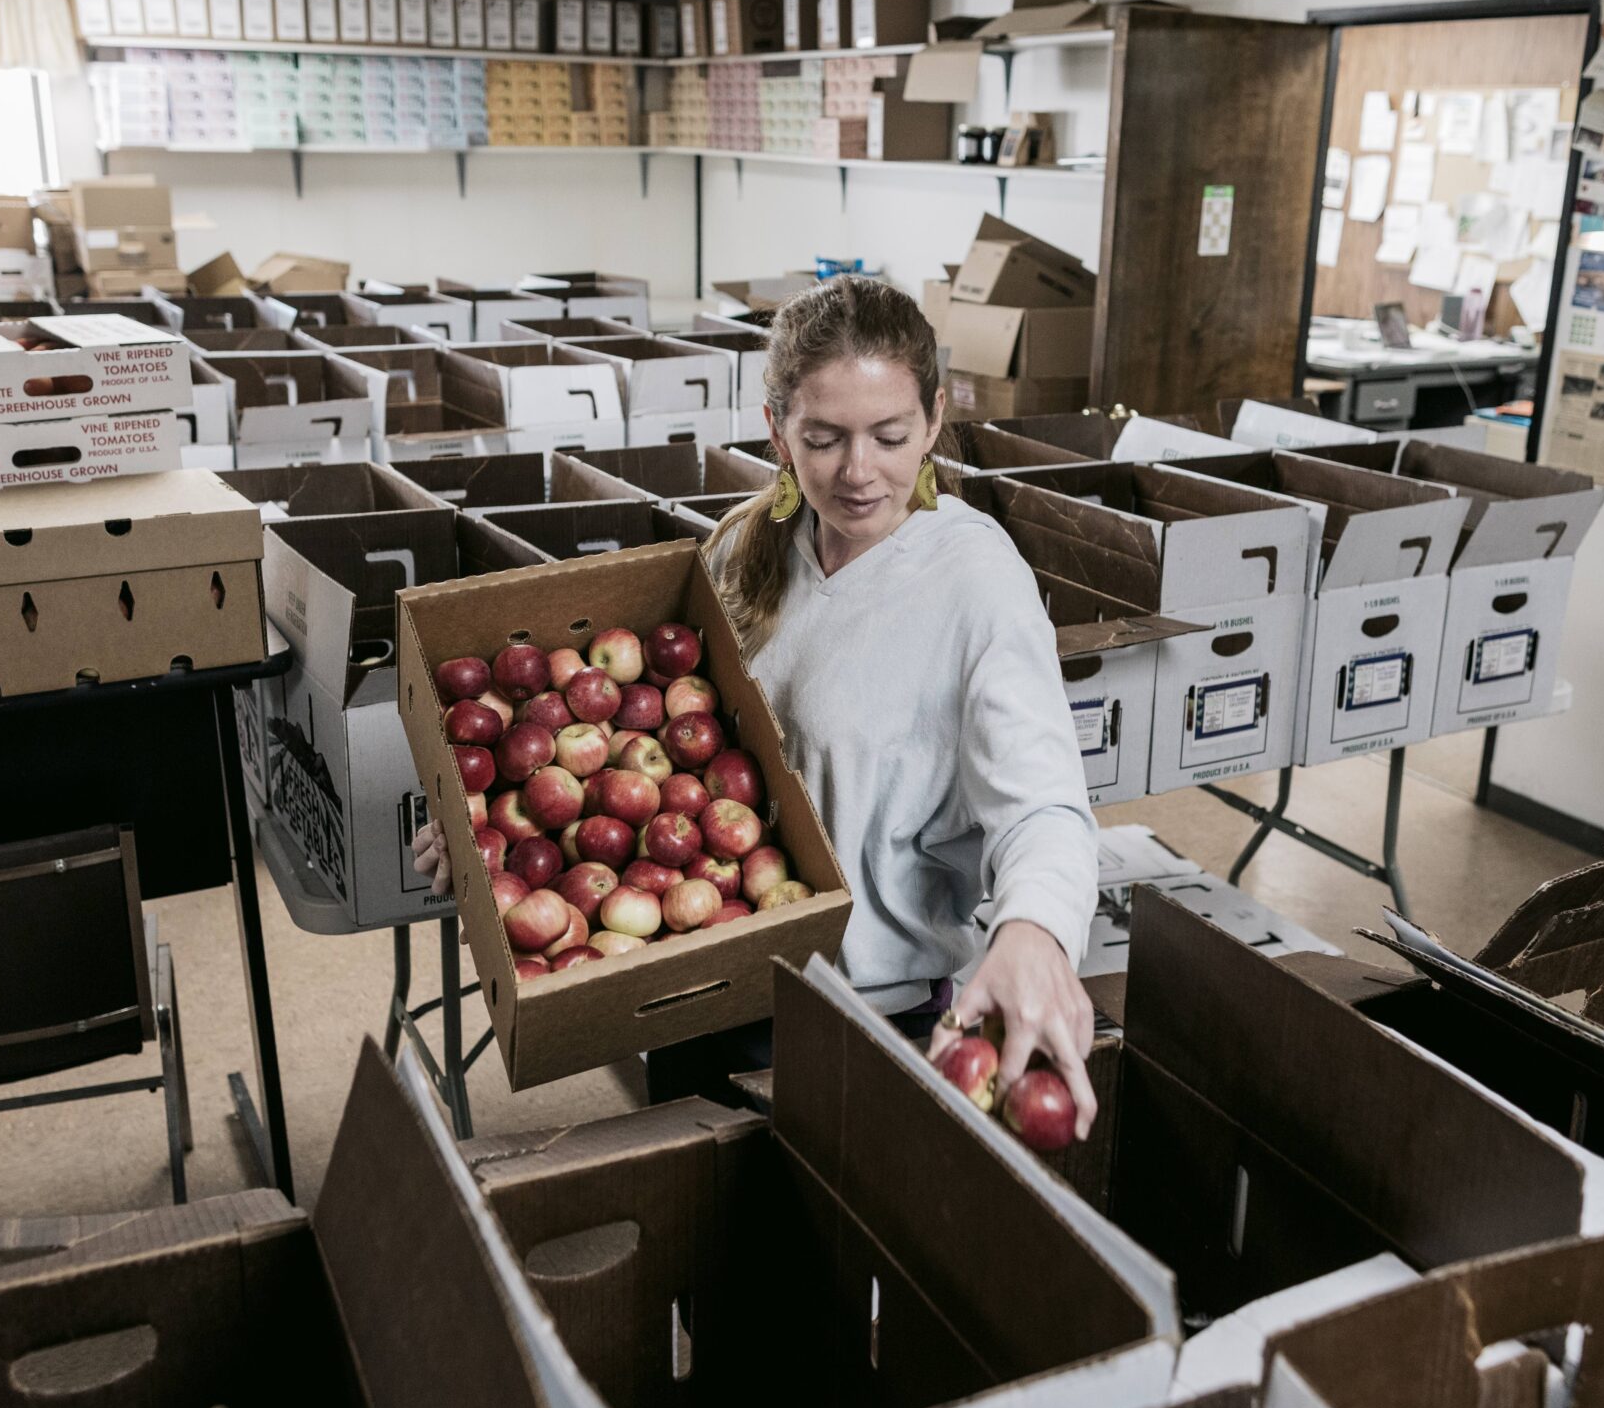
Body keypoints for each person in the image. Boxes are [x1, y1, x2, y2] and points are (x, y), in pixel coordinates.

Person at [417, 275, 1100, 1137]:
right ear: (777, 427)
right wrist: (492, 844)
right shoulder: (745, 545)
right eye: (823, 438)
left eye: (891, 436)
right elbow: (662, 759)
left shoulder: (976, 580)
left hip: (864, 1018)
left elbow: (1044, 805)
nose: (858, 472)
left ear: (932, 419)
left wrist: (1035, 928)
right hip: (697, 987)